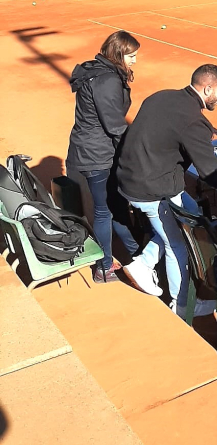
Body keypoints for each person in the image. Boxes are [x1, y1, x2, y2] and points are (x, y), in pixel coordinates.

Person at [117, 64, 217, 317]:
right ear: (207, 89)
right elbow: (212, 175)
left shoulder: (161, 96)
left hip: (133, 177)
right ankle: (181, 306)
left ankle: (143, 263)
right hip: (151, 190)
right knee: (177, 244)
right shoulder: (195, 121)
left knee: (192, 215)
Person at [66, 31, 141, 283]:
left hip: (92, 148)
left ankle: (136, 253)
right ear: (118, 54)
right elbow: (114, 125)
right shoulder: (107, 80)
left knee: (116, 204)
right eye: (131, 56)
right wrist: (133, 152)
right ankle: (104, 267)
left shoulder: (97, 70)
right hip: (96, 154)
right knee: (103, 211)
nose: (134, 60)